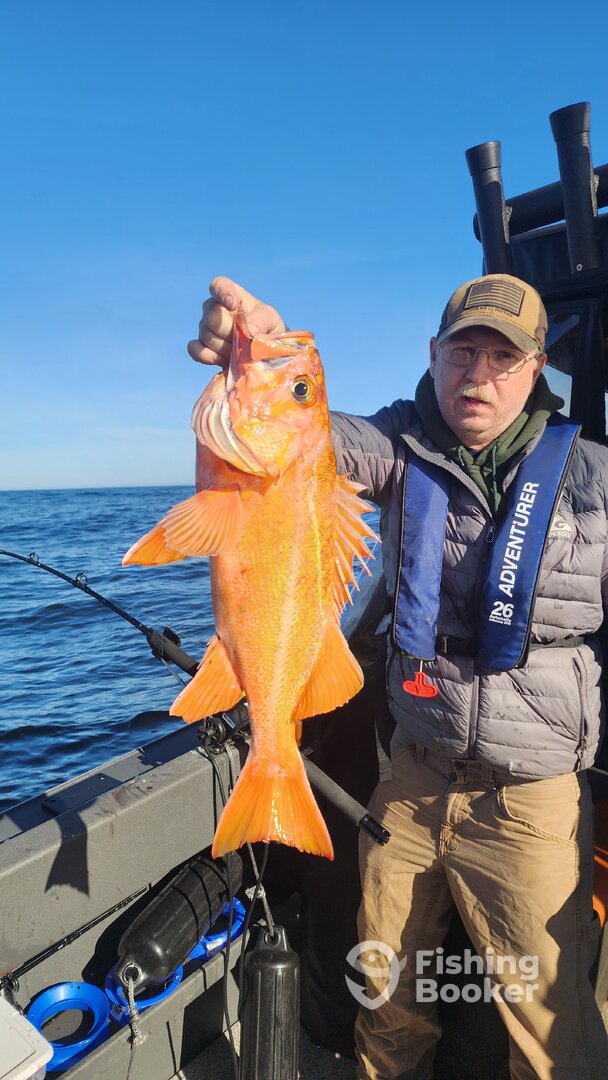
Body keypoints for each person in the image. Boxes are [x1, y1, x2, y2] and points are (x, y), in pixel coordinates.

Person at [188, 273, 608, 1079]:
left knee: (550, 1030)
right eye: (462, 351)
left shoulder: (592, 478)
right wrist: (256, 354)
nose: (478, 374)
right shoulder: (400, 445)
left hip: (531, 798)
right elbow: (302, 439)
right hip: (411, 780)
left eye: (502, 355)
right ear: (434, 356)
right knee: (385, 992)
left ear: (538, 368)